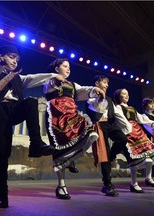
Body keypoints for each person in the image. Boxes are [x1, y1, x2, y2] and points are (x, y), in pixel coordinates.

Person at [0, 45, 56, 208]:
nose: (15, 61)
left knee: (32, 102)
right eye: (11, 56)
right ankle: (1, 193)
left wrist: (55, 75)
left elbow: (34, 78)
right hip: (0, 110)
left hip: (15, 110)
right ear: (2, 56)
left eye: (17, 58)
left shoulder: (17, 77)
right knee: (2, 151)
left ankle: (36, 144)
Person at [43, 58, 105, 200]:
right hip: (56, 116)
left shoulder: (72, 84)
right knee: (60, 150)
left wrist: (94, 89)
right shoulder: (50, 80)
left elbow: (82, 90)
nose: (68, 69)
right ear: (56, 68)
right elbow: (48, 87)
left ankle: (70, 159)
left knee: (92, 135)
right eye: (65, 66)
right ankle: (61, 185)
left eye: (69, 67)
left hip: (72, 115)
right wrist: (55, 78)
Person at [86, 75, 131, 196]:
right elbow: (95, 106)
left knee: (122, 139)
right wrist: (100, 99)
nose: (107, 85)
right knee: (104, 156)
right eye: (104, 82)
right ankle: (107, 184)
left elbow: (116, 113)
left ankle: (111, 156)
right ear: (97, 83)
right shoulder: (90, 98)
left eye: (107, 83)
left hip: (110, 125)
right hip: (99, 125)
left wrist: (127, 126)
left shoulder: (110, 99)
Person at [113, 88, 154, 193]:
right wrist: (128, 129)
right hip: (129, 133)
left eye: (127, 94)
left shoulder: (132, 108)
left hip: (139, 133)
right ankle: (134, 183)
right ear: (118, 96)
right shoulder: (117, 107)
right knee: (134, 160)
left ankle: (148, 178)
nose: (127, 95)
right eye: (124, 94)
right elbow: (121, 120)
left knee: (149, 158)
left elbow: (142, 119)